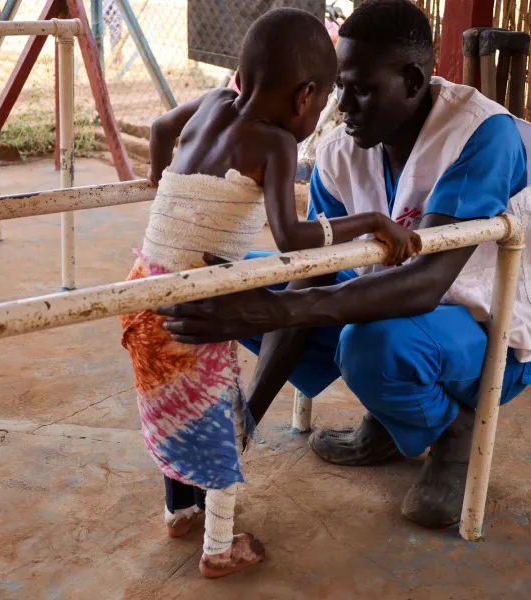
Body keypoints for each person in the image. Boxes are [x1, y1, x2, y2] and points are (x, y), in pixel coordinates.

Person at [157, 0, 531, 530]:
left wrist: (270, 312)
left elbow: (426, 282)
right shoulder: (343, 147)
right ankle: (392, 422)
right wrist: (245, 420)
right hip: (397, 307)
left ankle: (456, 433)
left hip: (488, 332)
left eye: (360, 88)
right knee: (230, 281)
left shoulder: (481, 135)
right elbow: (312, 266)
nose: (342, 105)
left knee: (369, 345)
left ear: (414, 80)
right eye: (337, 85)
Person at [119, 7, 420, 579]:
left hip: (143, 287)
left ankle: (179, 509)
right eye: (327, 99)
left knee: (171, 409)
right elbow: (290, 238)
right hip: (196, 300)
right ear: (306, 96)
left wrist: (163, 186)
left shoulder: (210, 104)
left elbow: (160, 132)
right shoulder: (277, 144)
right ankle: (219, 546)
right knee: (219, 420)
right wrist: (369, 221)